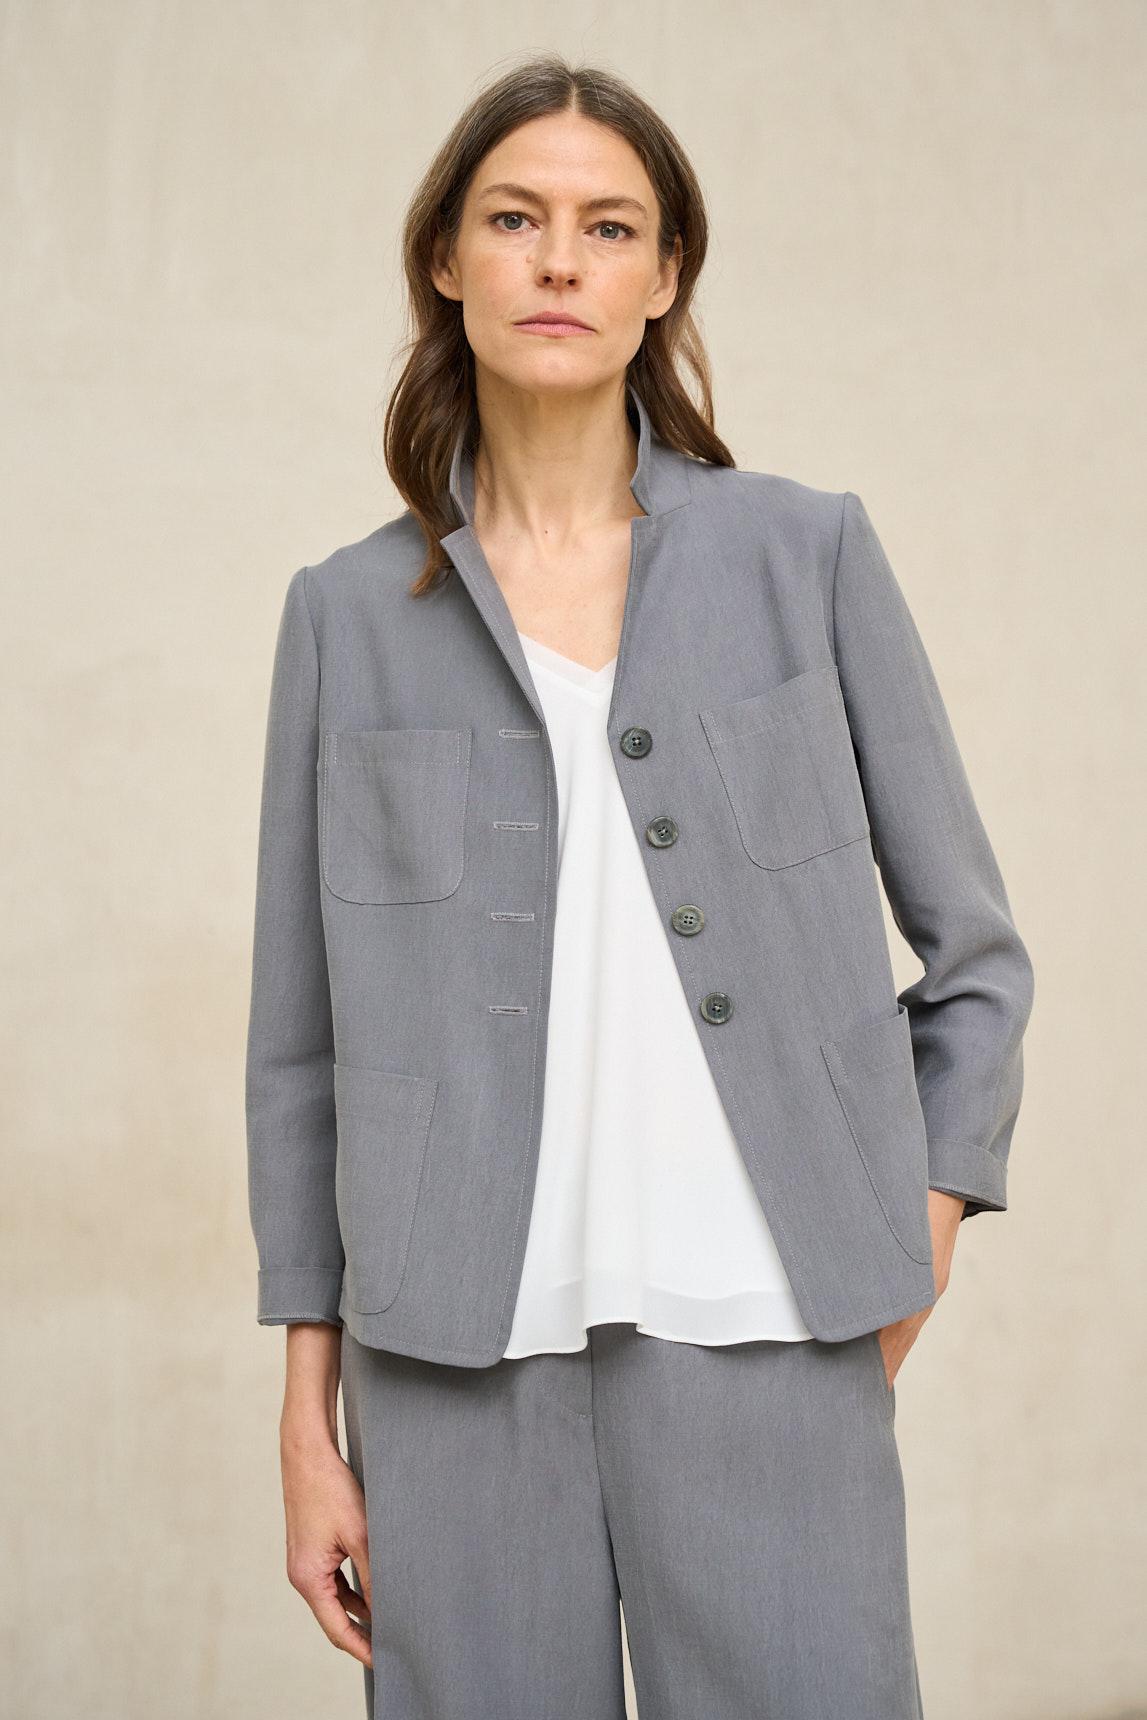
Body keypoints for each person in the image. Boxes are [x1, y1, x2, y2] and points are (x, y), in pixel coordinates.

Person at [245, 54, 1035, 1720]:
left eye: (609, 227)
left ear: (665, 274)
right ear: (445, 259)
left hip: (773, 1323)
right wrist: (308, 1428)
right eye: (513, 219)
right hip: (445, 1360)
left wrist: (918, 1228)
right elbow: (303, 1057)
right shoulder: (344, 615)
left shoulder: (805, 555)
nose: (559, 260)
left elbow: (975, 954)